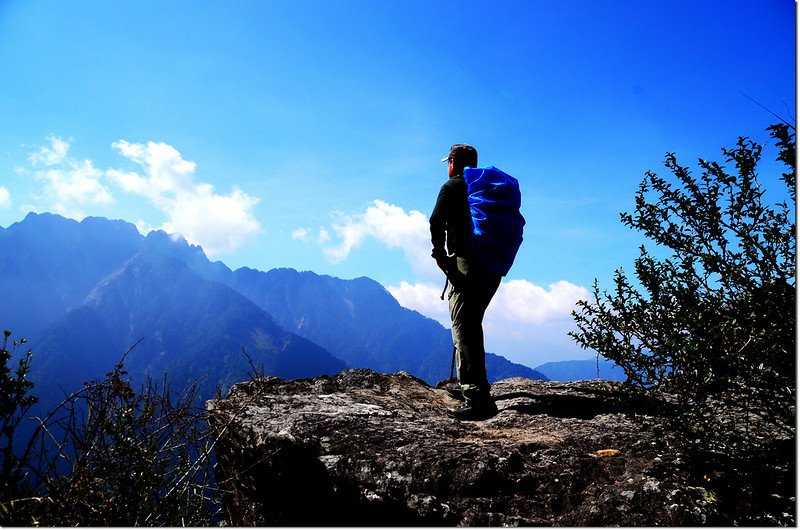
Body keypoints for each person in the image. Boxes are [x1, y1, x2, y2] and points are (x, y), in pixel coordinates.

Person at [429, 144, 501, 420]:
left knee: (464, 324)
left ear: (453, 163)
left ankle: (477, 398)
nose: (447, 167)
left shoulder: (452, 187)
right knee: (472, 322)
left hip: (466, 262)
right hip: (493, 265)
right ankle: (470, 384)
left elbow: (436, 221)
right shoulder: (485, 188)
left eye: (448, 162)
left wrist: (439, 255)